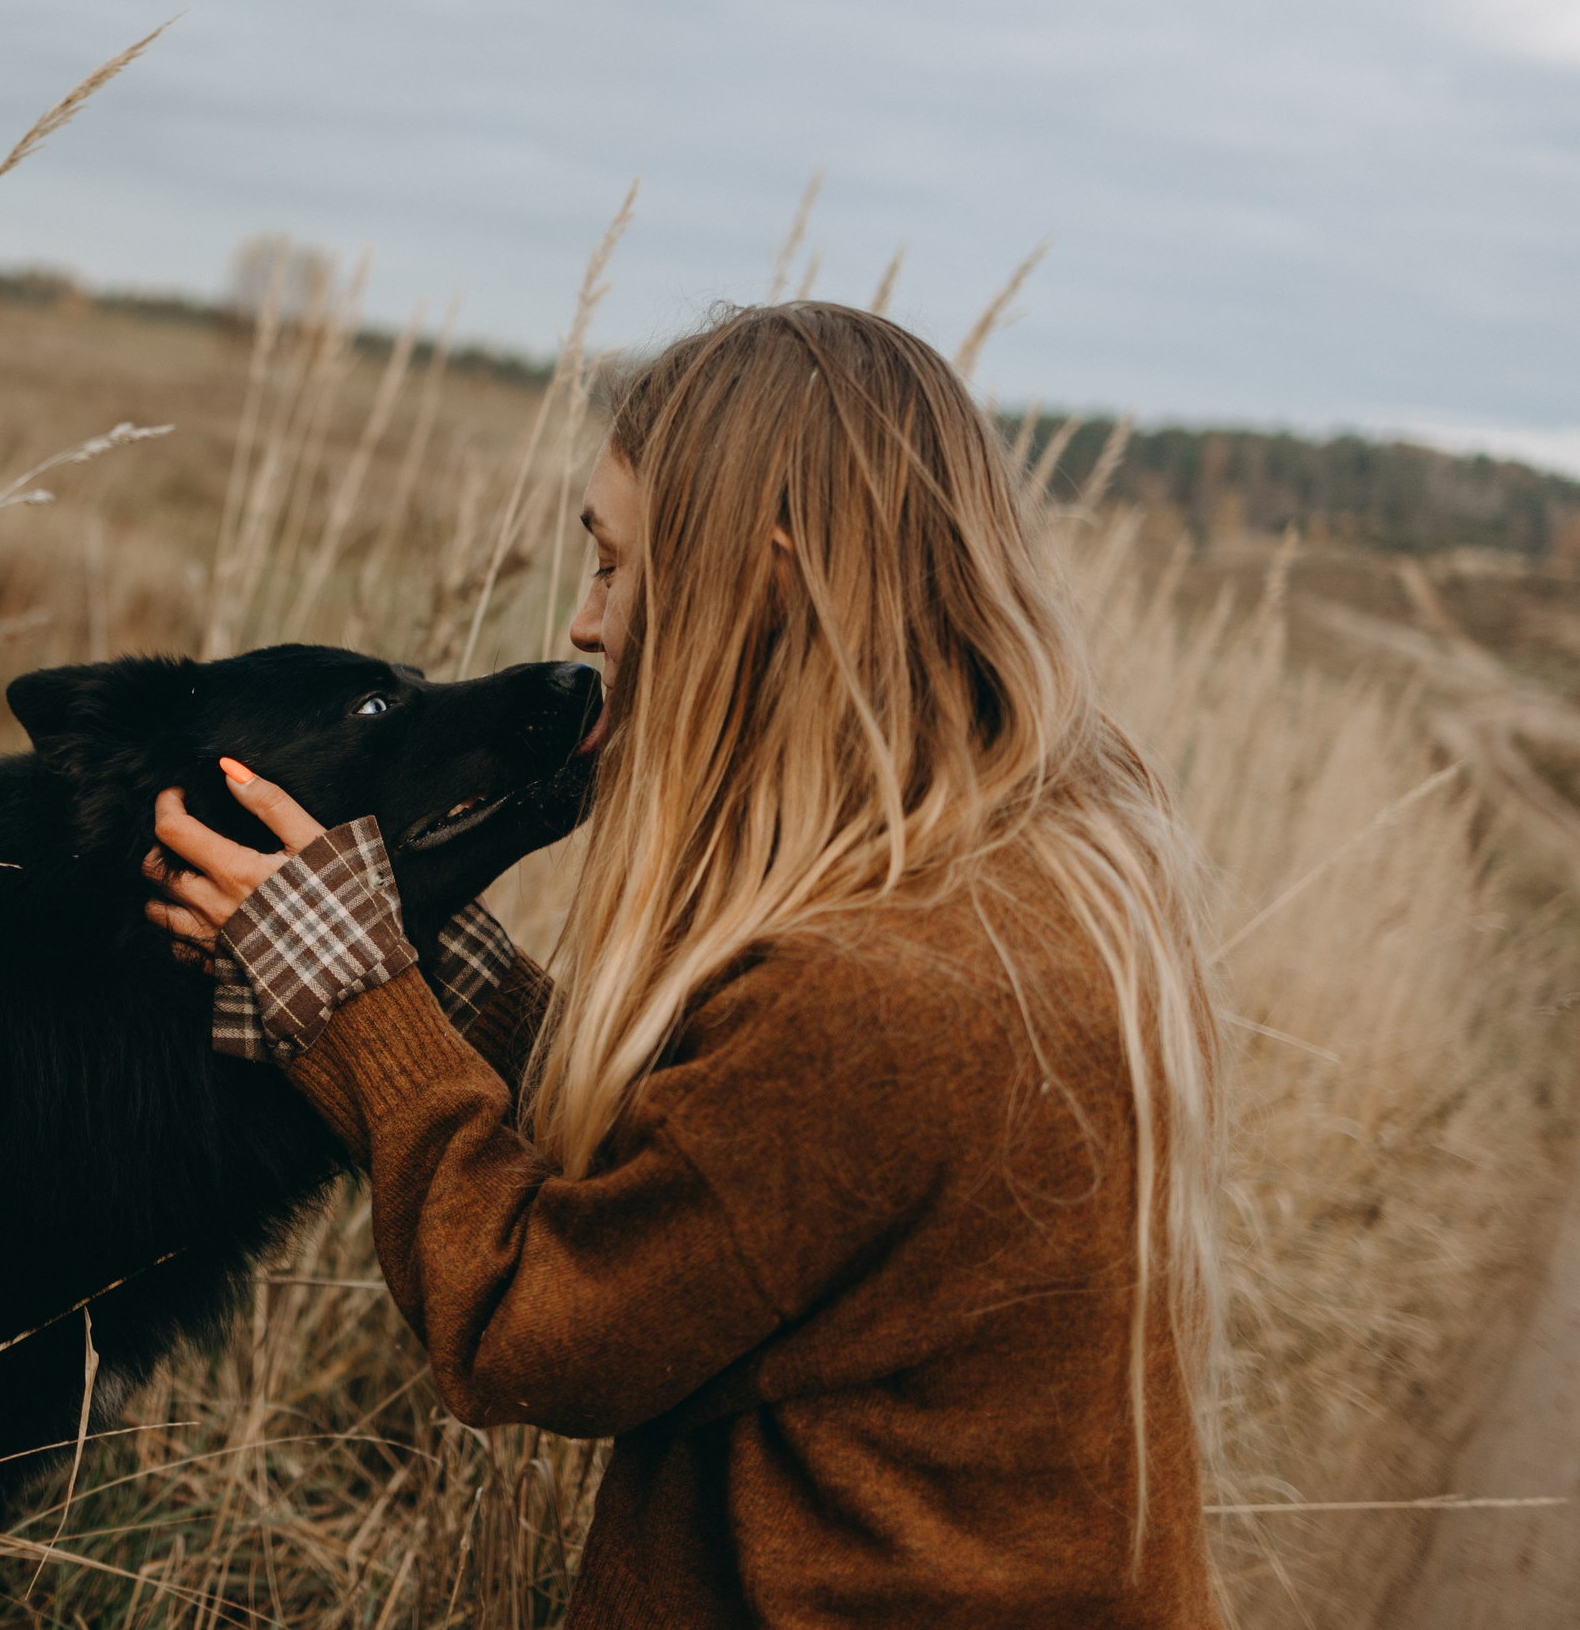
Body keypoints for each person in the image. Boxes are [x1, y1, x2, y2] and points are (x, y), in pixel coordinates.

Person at [141, 301, 1222, 1627]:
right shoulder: (1051, 851)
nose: (587, 624)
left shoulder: (877, 995)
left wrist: (358, 1004)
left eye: (615, 565)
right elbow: (722, 1174)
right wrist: (417, 951)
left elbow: (528, 1329)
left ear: (762, 579)